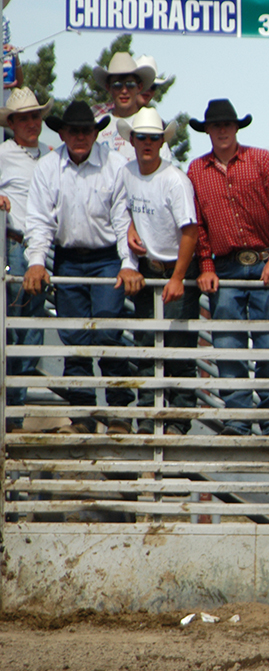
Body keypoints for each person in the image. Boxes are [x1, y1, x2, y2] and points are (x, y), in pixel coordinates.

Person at [22, 101, 139, 434]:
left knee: (108, 331)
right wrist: (37, 261)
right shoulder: (48, 168)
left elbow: (123, 222)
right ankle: (82, 415)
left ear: (95, 133)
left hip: (106, 257)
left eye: (86, 131)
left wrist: (128, 263)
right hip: (69, 257)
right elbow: (39, 220)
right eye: (74, 131)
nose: (80, 137)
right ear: (62, 134)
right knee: (74, 336)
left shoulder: (115, 166)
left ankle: (119, 413)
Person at [187, 99, 269, 436]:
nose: (222, 130)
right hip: (225, 266)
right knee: (228, 343)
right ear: (207, 130)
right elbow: (198, 224)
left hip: (264, 260)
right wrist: (206, 265)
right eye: (216, 125)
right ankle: (237, 416)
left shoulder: (261, 160)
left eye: (227, 125)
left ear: (236, 128)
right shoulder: (196, 170)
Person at [121, 107, 199, 435]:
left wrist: (178, 277)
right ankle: (148, 415)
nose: (148, 143)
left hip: (174, 268)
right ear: (132, 140)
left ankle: (178, 420)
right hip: (148, 269)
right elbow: (120, 211)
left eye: (154, 138)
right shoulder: (126, 173)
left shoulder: (175, 180)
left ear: (162, 142)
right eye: (142, 137)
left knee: (178, 348)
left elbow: (190, 231)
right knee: (145, 345)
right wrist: (129, 228)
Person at [0, 87, 51, 432]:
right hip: (15, 246)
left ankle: (15, 412)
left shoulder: (51, 155)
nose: (31, 123)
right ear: (12, 123)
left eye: (35, 116)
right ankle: (11, 414)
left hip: (45, 248)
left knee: (32, 330)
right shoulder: (3, 154)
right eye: (24, 118)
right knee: (15, 329)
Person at [91, 52, 157, 162]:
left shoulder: (151, 125)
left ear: (139, 87)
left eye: (130, 85)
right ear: (108, 87)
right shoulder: (96, 126)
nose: (124, 91)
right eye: (117, 85)